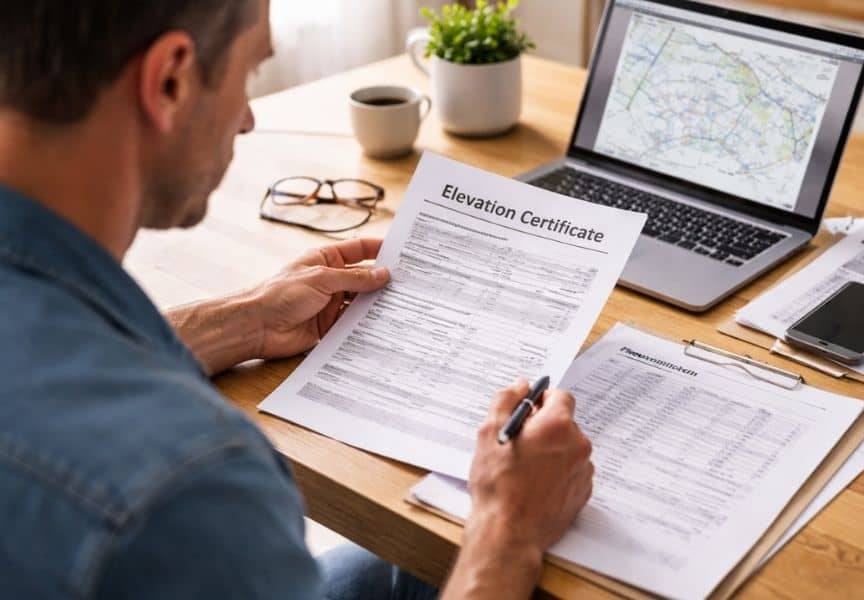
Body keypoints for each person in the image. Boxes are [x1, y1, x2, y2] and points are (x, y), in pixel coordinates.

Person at [0, 1, 594, 599]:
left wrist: (240, 322)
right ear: (171, 80)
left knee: (405, 569)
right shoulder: (187, 486)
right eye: (248, 75)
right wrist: (506, 532)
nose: (247, 119)